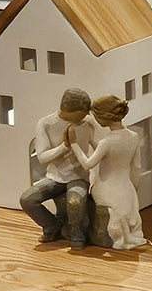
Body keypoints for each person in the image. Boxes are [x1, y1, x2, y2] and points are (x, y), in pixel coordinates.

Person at [19, 87, 97, 249]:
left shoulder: (87, 124)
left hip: (78, 177)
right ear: (70, 110)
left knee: (75, 202)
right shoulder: (46, 124)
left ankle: (78, 234)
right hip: (55, 177)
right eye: (83, 112)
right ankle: (51, 226)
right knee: (28, 199)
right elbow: (43, 157)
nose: (87, 115)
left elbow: (97, 146)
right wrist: (65, 146)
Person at [70, 93, 147, 251]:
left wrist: (74, 144)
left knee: (103, 197)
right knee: (123, 206)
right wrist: (133, 189)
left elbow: (87, 164)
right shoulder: (134, 136)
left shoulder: (107, 142)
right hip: (126, 188)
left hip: (106, 189)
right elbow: (136, 167)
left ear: (104, 117)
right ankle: (128, 232)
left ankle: (116, 234)